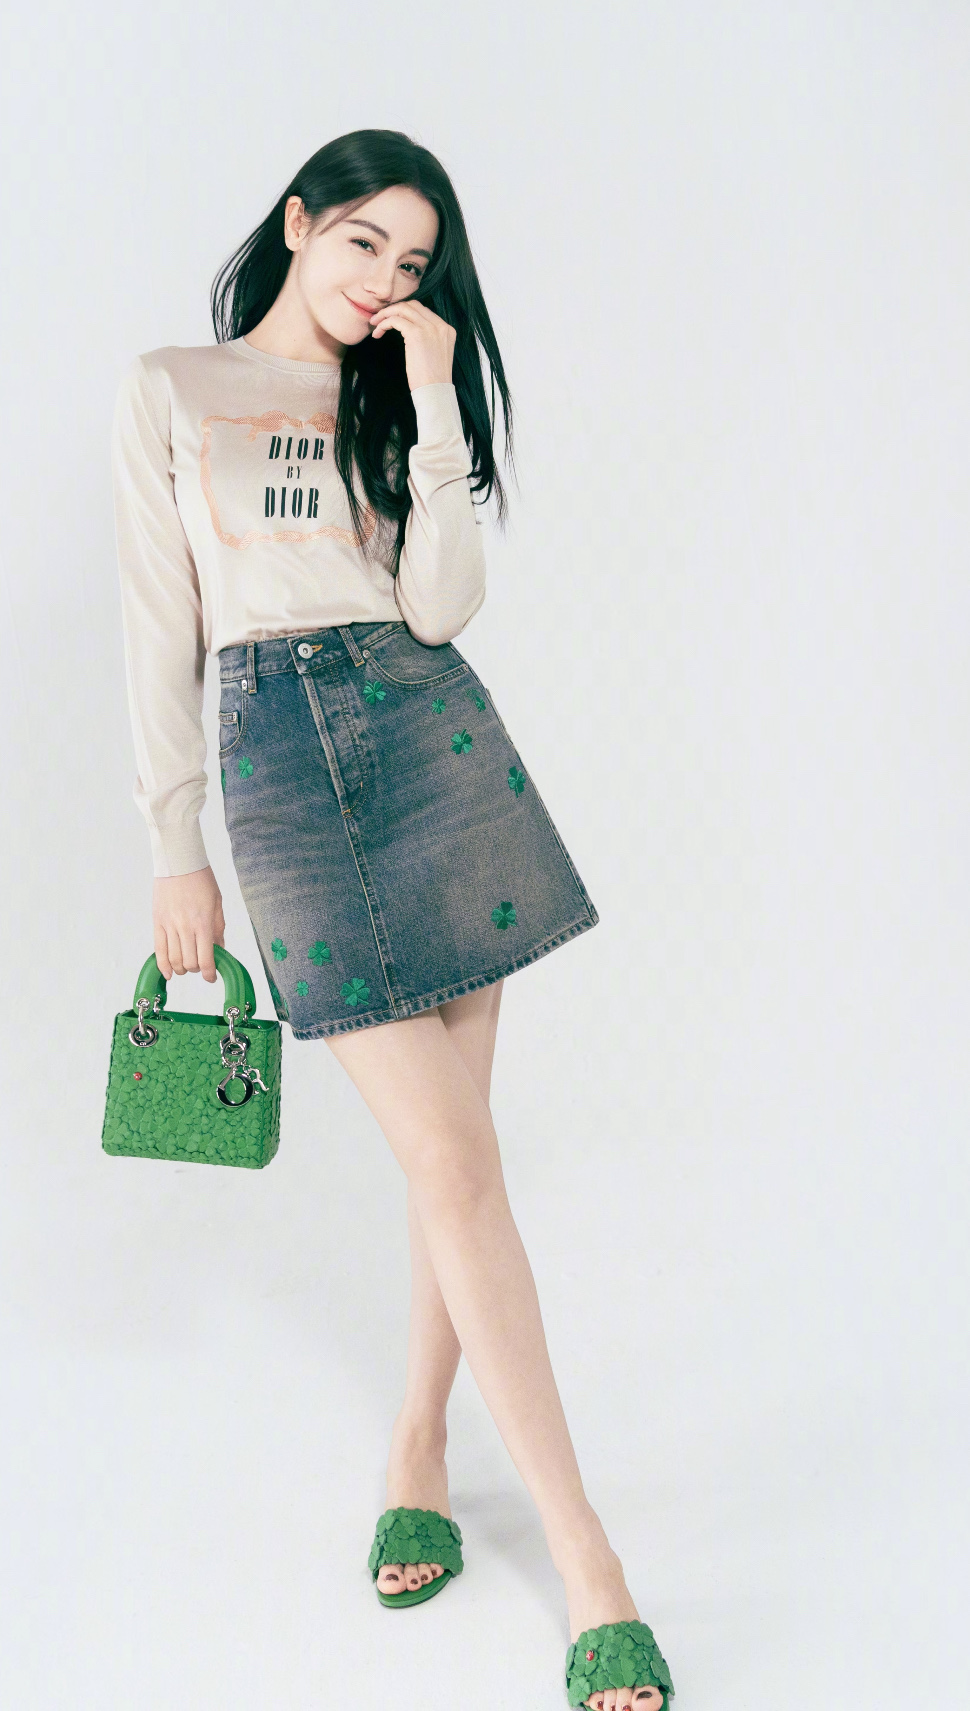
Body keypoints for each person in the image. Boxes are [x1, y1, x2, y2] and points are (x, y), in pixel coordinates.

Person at [110, 127, 675, 1711]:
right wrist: (173, 846)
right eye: (363, 242)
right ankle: (582, 1552)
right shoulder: (172, 388)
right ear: (299, 224)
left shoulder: (388, 395)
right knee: (450, 1160)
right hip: (274, 764)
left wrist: (429, 396)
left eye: (413, 265)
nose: (382, 281)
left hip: (430, 736)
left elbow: (439, 603)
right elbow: (158, 621)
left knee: (457, 1161)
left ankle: (441, 1459)